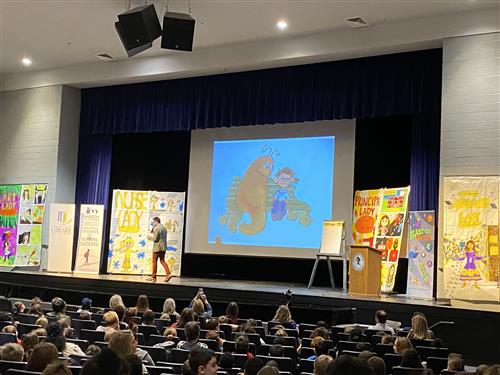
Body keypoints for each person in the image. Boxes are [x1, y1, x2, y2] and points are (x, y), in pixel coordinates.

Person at [146, 216, 173, 282]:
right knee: (162, 260)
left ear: (156, 221)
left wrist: (148, 237)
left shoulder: (157, 228)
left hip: (157, 247)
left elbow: (155, 239)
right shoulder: (164, 228)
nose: (152, 224)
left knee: (154, 261)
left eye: (153, 222)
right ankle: (168, 274)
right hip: (163, 247)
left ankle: (153, 277)